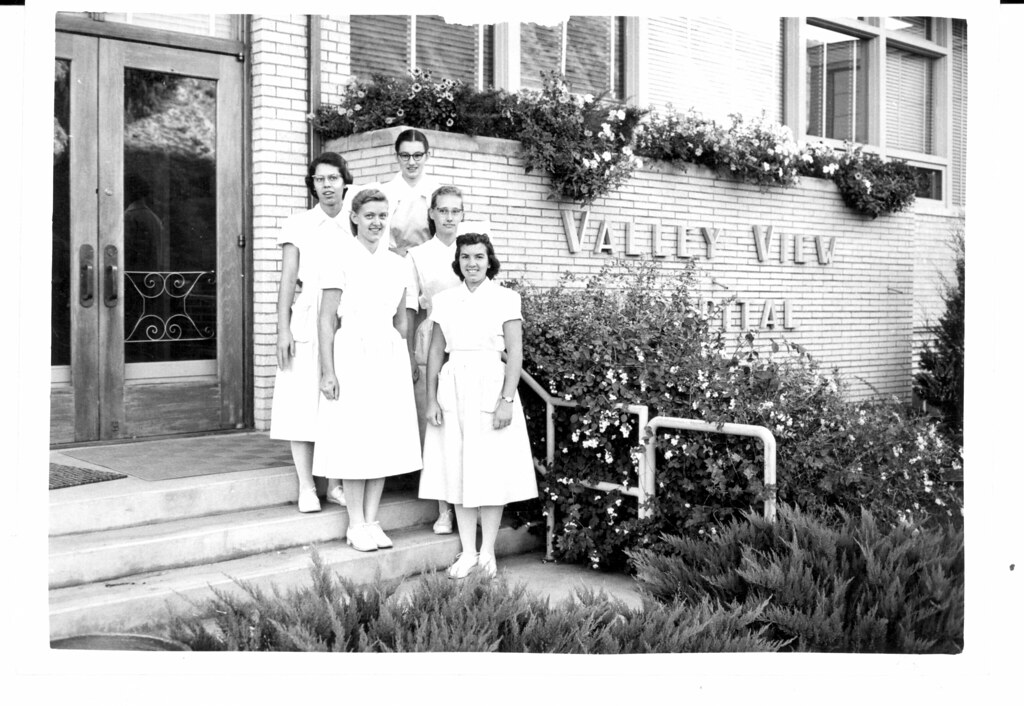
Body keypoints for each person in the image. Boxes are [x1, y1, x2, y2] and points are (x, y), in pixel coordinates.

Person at [418, 228, 538, 578]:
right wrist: (431, 400)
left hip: (490, 386)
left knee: (490, 471)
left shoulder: (506, 298)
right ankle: (468, 552)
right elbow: (436, 352)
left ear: (489, 261)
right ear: (458, 262)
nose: (472, 263)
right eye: (465, 257)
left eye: (479, 257)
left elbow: (515, 353)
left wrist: (507, 399)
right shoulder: (445, 300)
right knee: (457, 470)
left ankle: (487, 553)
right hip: (453, 388)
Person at [313, 188, 422, 552]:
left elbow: (402, 320)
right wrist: (327, 371)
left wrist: (406, 359)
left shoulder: (398, 263)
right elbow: (326, 319)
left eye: (382, 216)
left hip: (387, 354)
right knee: (354, 438)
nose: (376, 222)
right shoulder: (340, 256)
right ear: (355, 217)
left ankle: (372, 520)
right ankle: (355, 523)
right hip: (352, 352)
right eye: (370, 215)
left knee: (381, 438)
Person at [270, 152, 352, 514]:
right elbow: (288, 279)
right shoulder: (299, 224)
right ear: (313, 185)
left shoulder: (356, 222)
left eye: (333, 178)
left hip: (346, 320)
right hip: (306, 319)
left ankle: (335, 484)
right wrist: (282, 329)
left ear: (345, 181)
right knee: (300, 403)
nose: (327, 185)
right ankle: (306, 486)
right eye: (320, 179)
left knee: (340, 402)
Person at [406, 186, 472, 535]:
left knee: (468, 423)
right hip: (432, 339)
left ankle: (471, 503)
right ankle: (443, 509)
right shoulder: (418, 255)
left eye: (455, 211)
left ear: (462, 214)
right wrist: (409, 356)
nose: (449, 217)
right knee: (438, 423)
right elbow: (409, 308)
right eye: (442, 210)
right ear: (431, 213)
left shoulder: (471, 250)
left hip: (469, 342)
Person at [379, 128, 441, 256]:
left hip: (430, 261)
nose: (411, 162)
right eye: (405, 156)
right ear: (397, 156)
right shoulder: (384, 193)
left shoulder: (438, 193)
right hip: (391, 261)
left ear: (427, 156)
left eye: (417, 155)